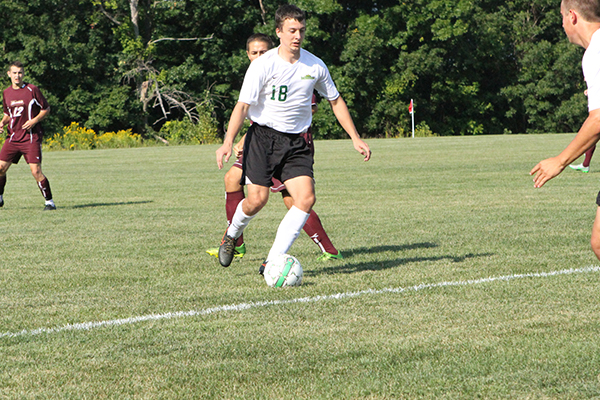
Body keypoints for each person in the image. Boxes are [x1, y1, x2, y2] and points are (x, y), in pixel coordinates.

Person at [214, 4, 371, 272]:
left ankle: (273, 259)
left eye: (301, 30)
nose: (297, 36)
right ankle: (231, 235)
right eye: (291, 30)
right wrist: (228, 141)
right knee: (257, 200)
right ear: (279, 32)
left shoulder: (315, 65)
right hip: (263, 139)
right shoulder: (263, 65)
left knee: (306, 198)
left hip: (297, 143)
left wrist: (354, 137)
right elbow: (242, 106)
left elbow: (334, 100)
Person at [206, 34, 343, 262]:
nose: (258, 56)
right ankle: (234, 241)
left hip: (292, 142)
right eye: (253, 52)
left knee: (296, 199)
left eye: (262, 52)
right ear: (247, 55)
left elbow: (305, 107)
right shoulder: (257, 72)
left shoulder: (296, 69)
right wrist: (236, 140)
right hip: (261, 142)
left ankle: (326, 249)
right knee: (235, 181)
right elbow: (248, 111)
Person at [530, 0, 600, 258]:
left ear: (572, 16)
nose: (561, 24)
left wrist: (559, 161)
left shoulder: (596, 52)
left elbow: (599, 119)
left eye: (561, 17)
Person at [0, 61, 55, 210]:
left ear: (23, 74)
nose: (17, 76)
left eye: (20, 73)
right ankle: (0, 197)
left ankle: (49, 202)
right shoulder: (6, 92)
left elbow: (46, 108)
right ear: (9, 74)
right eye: (14, 73)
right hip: (12, 138)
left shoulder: (32, 90)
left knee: (36, 171)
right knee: (0, 168)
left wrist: (34, 120)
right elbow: (8, 114)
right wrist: (2, 123)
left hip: (30, 137)